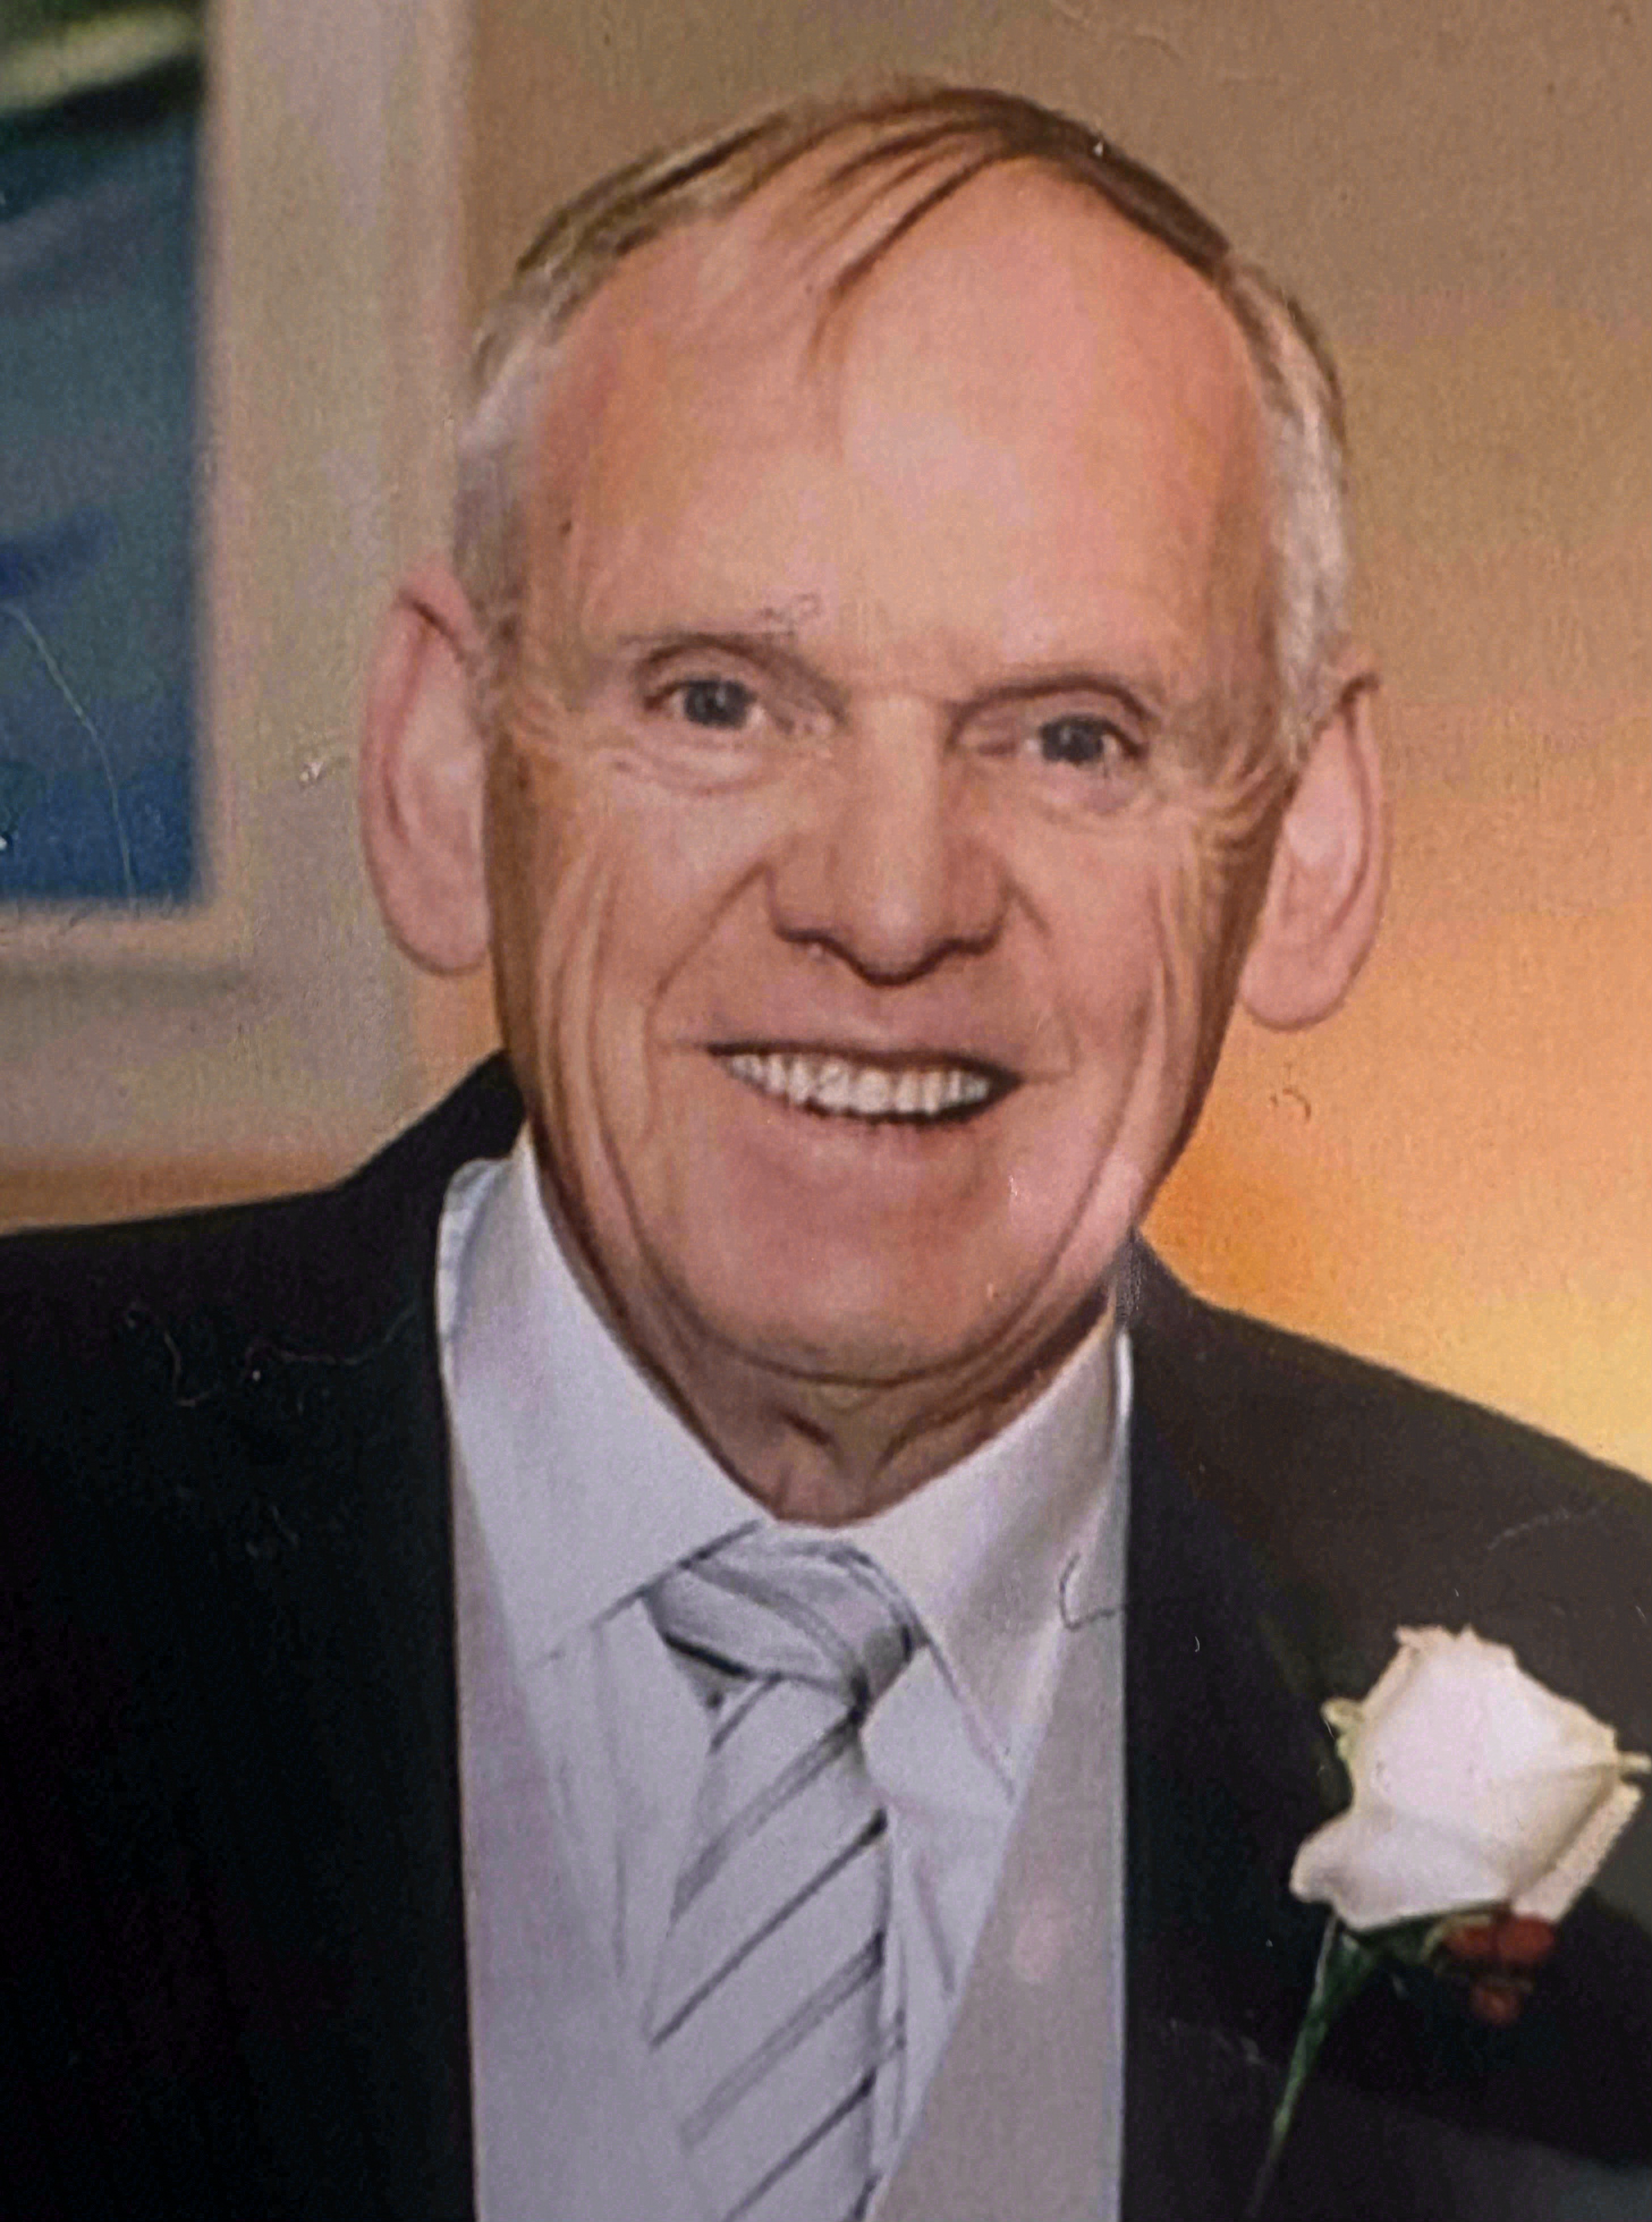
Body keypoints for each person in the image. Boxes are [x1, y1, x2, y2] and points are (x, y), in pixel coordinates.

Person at [2, 85, 1649, 2222]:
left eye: (1072, 736)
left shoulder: (1612, 1658)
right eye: (718, 702)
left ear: (1310, 842)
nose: (888, 906)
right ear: (435, 767)